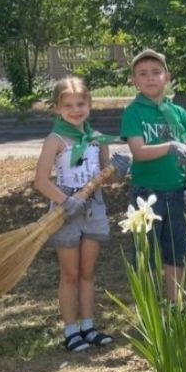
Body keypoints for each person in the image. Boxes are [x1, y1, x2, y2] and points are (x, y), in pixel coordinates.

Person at [34, 77, 126, 352]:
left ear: (89, 105)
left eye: (81, 103)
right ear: (57, 108)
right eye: (69, 105)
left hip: (94, 207)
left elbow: (104, 178)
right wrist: (65, 201)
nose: (76, 109)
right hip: (66, 209)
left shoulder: (98, 139)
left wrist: (117, 170)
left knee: (87, 271)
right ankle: (71, 330)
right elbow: (41, 181)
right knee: (70, 273)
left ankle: (89, 325)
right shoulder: (55, 139)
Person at [120, 49, 186, 303]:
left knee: (176, 252)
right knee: (147, 254)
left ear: (167, 77)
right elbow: (138, 152)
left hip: (178, 191)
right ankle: (149, 308)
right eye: (143, 74)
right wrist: (171, 146)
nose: (150, 78)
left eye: (156, 72)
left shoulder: (180, 113)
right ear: (134, 81)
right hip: (146, 193)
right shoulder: (133, 112)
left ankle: (175, 304)